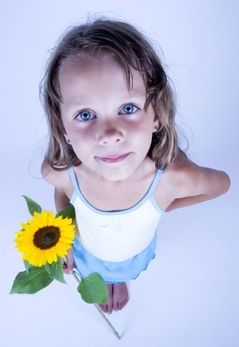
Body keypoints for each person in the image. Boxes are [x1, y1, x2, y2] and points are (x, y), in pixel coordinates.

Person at [40, 18, 230, 314]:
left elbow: (221, 185)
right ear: (62, 126)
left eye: (127, 108)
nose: (110, 134)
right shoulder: (60, 171)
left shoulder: (171, 180)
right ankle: (105, 278)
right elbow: (62, 193)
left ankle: (119, 279)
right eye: (85, 114)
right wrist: (62, 237)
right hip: (88, 250)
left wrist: (164, 204)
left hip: (132, 252)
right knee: (97, 269)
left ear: (156, 113)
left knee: (122, 269)